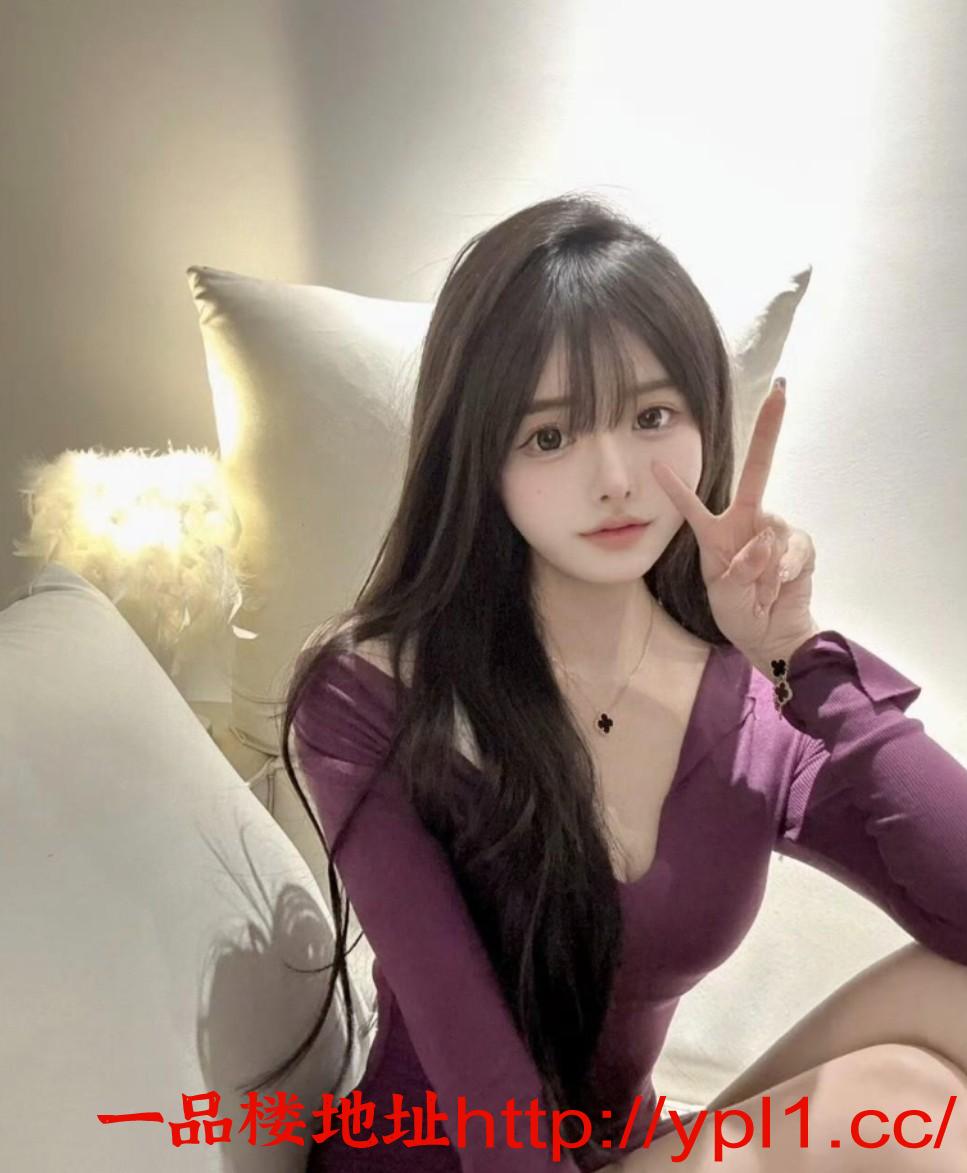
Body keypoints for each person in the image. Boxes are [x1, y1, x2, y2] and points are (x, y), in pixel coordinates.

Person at [254, 194, 967, 1170]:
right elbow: (481, 1091)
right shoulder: (373, 694)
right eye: (550, 435)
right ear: (480, 455)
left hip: (619, 1152)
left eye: (651, 416)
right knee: (890, 1105)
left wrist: (799, 652)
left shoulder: (749, 701)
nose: (617, 477)